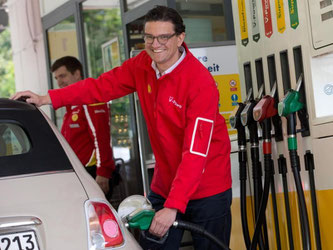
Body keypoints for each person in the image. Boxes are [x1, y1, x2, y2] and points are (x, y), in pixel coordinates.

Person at [13, 6, 232, 249]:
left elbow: (195, 153)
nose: (154, 44)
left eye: (163, 37)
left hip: (207, 187)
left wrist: (173, 206)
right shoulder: (142, 65)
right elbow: (100, 86)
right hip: (165, 183)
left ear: (180, 38)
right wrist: (48, 99)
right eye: (149, 37)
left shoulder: (200, 83)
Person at [50, 56, 115, 198]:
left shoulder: (90, 99)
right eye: (56, 78)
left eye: (63, 76)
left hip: (92, 173)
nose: (59, 82)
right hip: (80, 173)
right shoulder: (72, 104)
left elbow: (101, 137)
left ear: (77, 73)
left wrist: (103, 172)